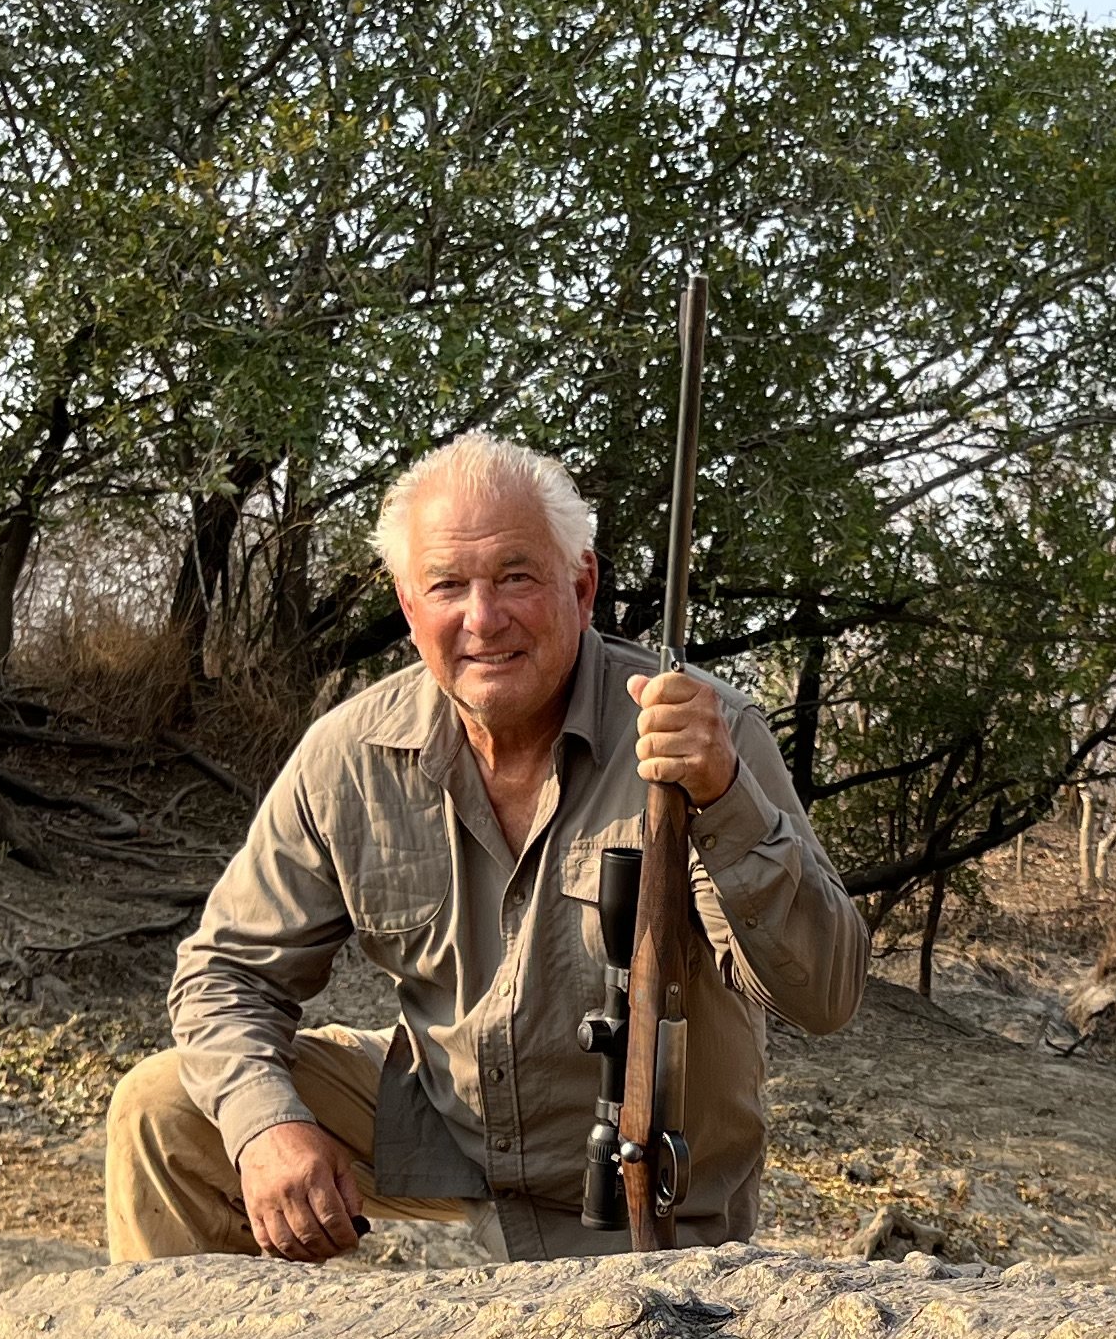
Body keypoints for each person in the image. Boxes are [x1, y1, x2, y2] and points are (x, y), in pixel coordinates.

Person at [105, 432, 864, 1265]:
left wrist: (723, 799)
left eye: (515, 576)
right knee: (164, 1112)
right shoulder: (347, 754)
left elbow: (825, 994)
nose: (483, 618)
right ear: (407, 605)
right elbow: (225, 975)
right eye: (448, 586)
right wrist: (268, 1129)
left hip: (643, 1196)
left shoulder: (704, 732)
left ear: (582, 585)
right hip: (449, 1128)